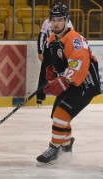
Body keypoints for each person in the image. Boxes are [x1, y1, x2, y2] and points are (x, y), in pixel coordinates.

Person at [35, 2, 100, 166]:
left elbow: (79, 63)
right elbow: (55, 62)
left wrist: (64, 80)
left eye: (59, 19)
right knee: (58, 115)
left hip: (85, 83)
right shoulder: (51, 39)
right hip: (71, 81)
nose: (56, 23)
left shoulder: (75, 40)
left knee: (61, 114)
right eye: (53, 19)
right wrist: (52, 71)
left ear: (66, 21)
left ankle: (53, 149)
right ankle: (66, 144)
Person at [36, 13, 72, 106]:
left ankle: (64, 96)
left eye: (59, 19)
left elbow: (71, 37)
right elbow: (42, 36)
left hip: (61, 49)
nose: (56, 22)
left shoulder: (68, 22)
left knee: (62, 73)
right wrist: (40, 51)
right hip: (49, 50)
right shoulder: (47, 21)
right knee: (45, 73)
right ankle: (40, 97)